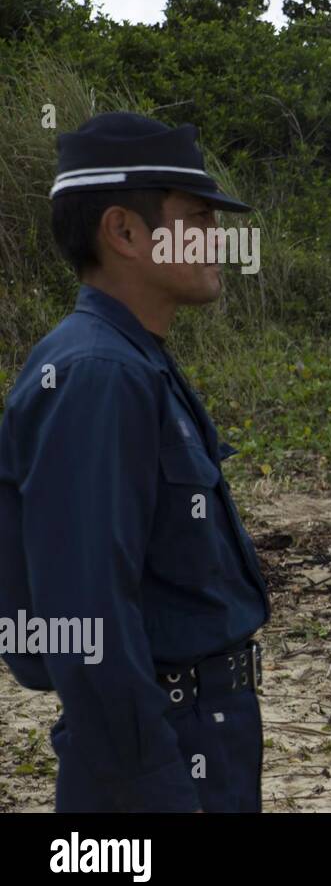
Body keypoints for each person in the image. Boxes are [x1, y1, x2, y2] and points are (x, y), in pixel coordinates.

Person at [0, 113, 268, 812]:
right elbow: (83, 617)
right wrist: (151, 784)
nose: (222, 238)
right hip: (156, 749)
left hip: (192, 732)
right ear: (123, 232)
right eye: (199, 218)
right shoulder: (98, 374)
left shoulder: (132, 359)